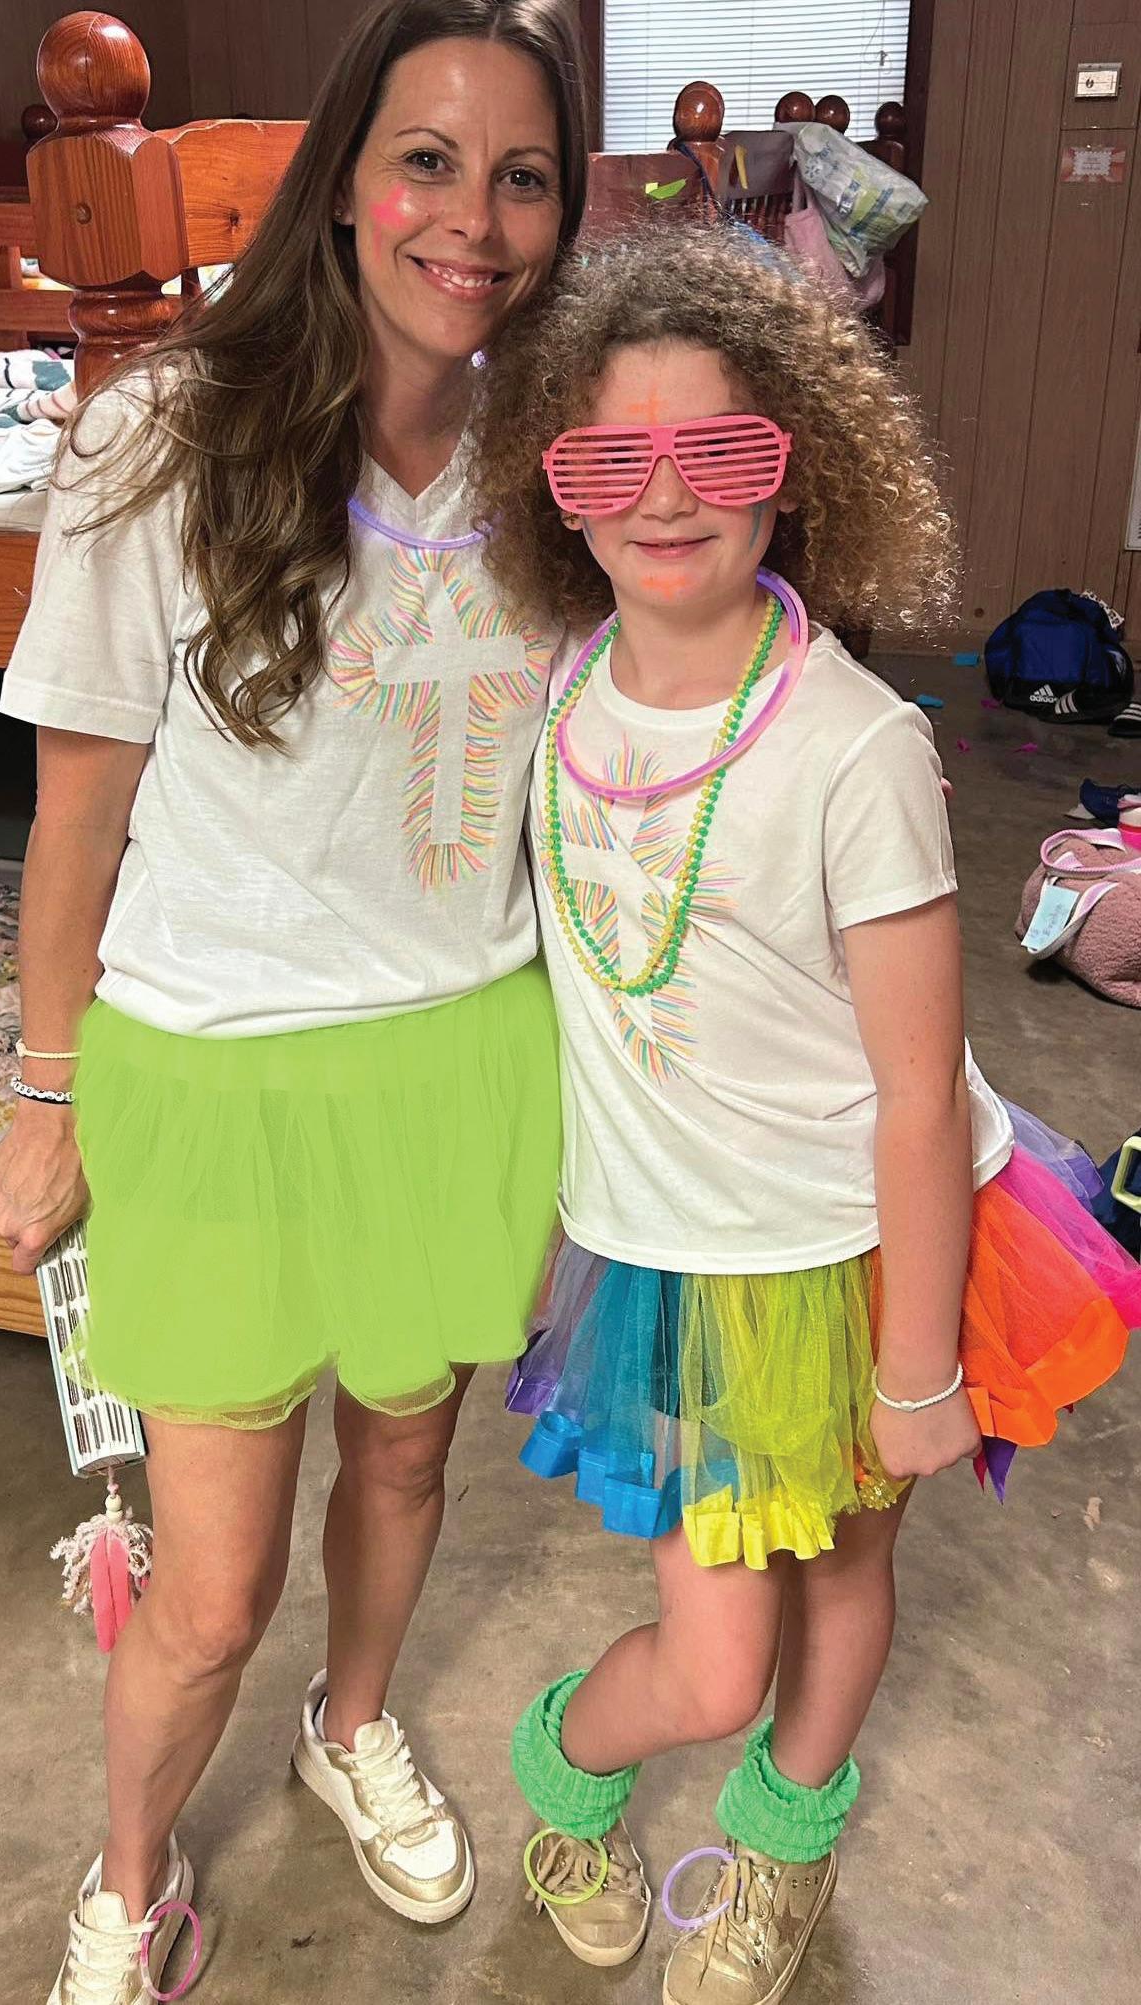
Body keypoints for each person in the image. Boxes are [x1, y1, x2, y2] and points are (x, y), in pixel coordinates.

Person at [0, 4, 587, 1997]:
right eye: (428, 161)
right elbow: (77, 811)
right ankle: (132, 1875)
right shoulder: (163, 436)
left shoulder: (563, 456)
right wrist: (49, 1087)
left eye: (521, 177)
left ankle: (355, 1722)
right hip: (217, 1076)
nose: (472, 218)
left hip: (464, 1057)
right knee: (210, 1590)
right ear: (342, 182)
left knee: (405, 1460)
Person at [470, 226, 1141, 2003]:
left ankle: (783, 1843)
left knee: (845, 1578)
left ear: (801, 465)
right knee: (710, 1662)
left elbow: (917, 1087)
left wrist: (917, 1362)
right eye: (610, 458)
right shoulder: (553, 690)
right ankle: (566, 1769)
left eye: (721, 449)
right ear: (555, 486)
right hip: (673, 1266)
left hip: (867, 1251)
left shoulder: (853, 745)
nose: (664, 496)